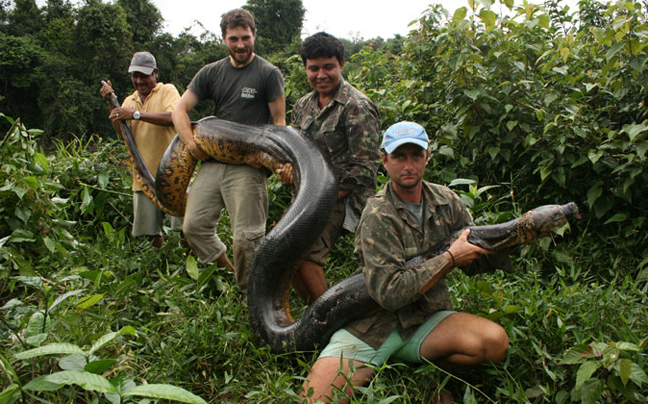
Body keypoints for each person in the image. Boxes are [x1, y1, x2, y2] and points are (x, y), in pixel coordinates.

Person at [300, 122, 511, 403]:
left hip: (426, 317)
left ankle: (419, 367)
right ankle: (385, 361)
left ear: (427, 158)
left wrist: (512, 240)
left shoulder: (447, 201)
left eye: (415, 155)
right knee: (315, 399)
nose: (408, 165)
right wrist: (449, 259)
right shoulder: (377, 214)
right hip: (374, 326)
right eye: (399, 156)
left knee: (494, 343)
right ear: (384, 160)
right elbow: (389, 294)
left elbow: (474, 263)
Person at [172, 8, 286, 292]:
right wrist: (191, 144)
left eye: (245, 37)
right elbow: (179, 109)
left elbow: (280, 124)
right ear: (224, 39)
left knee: (247, 238)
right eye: (233, 38)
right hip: (213, 161)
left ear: (254, 36)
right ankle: (231, 271)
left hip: (249, 166)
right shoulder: (211, 72)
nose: (241, 45)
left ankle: (253, 295)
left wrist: (270, 163)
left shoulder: (268, 73)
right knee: (193, 227)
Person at [276, 32, 380, 303]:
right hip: (309, 196)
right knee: (283, 248)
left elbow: (365, 168)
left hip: (346, 197)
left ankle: (329, 319)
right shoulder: (301, 106)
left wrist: (321, 199)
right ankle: (314, 310)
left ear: (341, 65)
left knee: (306, 254)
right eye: (314, 68)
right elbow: (295, 153)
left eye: (328, 67)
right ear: (305, 69)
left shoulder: (357, 106)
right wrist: (288, 173)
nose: (321, 74)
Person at [100, 51, 182, 249]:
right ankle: (157, 271)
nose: (139, 80)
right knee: (150, 233)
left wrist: (135, 114)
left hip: (173, 174)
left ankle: (187, 269)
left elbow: (173, 117)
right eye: (135, 76)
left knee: (185, 228)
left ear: (155, 73)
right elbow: (123, 133)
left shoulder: (167, 91)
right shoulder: (129, 101)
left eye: (144, 75)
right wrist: (112, 105)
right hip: (143, 177)